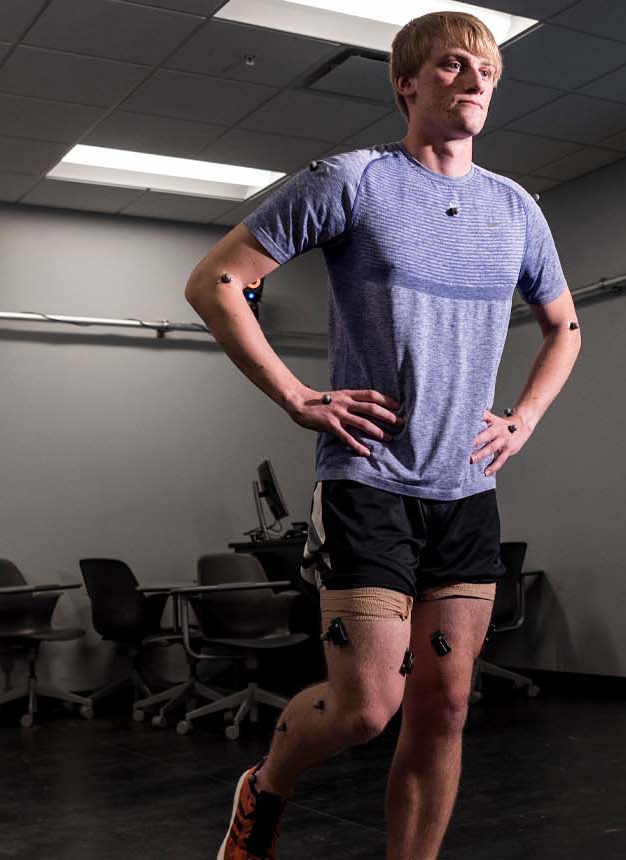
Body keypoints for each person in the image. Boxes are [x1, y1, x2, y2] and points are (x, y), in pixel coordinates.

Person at [182, 10, 581, 860]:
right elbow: (216, 280)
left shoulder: (514, 209)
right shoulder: (353, 180)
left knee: (444, 707)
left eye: (485, 70)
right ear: (406, 81)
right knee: (367, 708)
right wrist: (296, 395)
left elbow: (565, 328)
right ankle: (265, 788)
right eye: (449, 66)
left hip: (465, 492)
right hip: (368, 482)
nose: (473, 80)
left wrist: (524, 418)